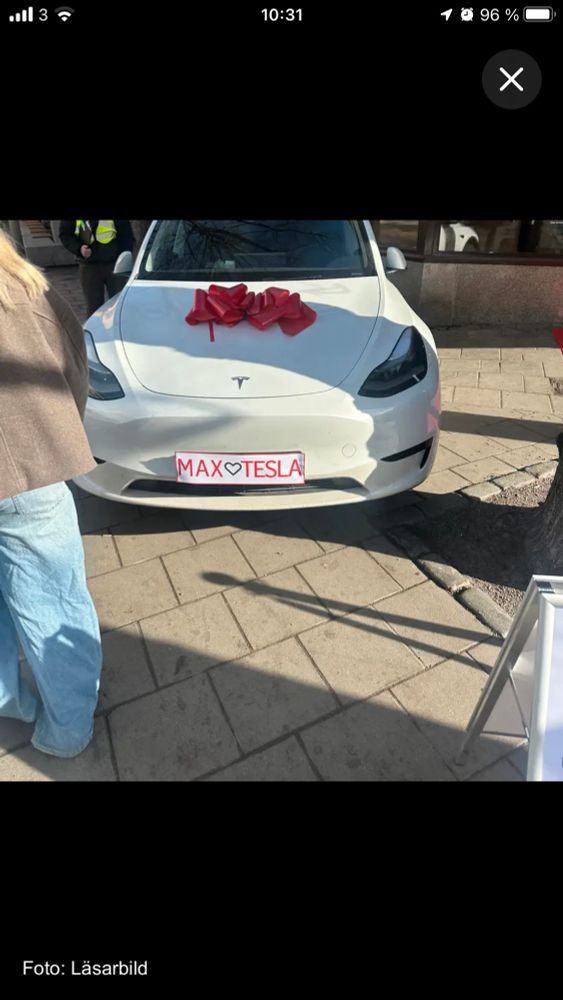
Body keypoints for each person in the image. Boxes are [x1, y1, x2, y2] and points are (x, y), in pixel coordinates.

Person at [0, 226, 102, 758]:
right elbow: (75, 368)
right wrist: (60, 430)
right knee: (54, 601)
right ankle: (66, 733)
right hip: (31, 471)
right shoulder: (25, 289)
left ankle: (8, 701)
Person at [59, 219, 134, 317]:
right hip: (89, 267)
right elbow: (65, 235)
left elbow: (126, 234)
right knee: (94, 309)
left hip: (114, 265)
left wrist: (124, 258)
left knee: (119, 306)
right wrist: (79, 248)